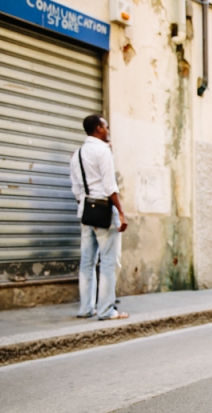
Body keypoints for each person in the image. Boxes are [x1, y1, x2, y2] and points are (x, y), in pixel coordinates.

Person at [70, 114, 129, 320]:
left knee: (87, 262)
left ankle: (86, 308)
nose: (108, 130)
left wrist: (87, 205)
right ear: (98, 129)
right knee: (109, 262)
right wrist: (121, 212)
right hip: (104, 213)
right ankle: (106, 310)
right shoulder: (102, 151)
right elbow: (109, 186)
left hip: (86, 213)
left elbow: (77, 190)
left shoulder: (77, 154)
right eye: (106, 127)